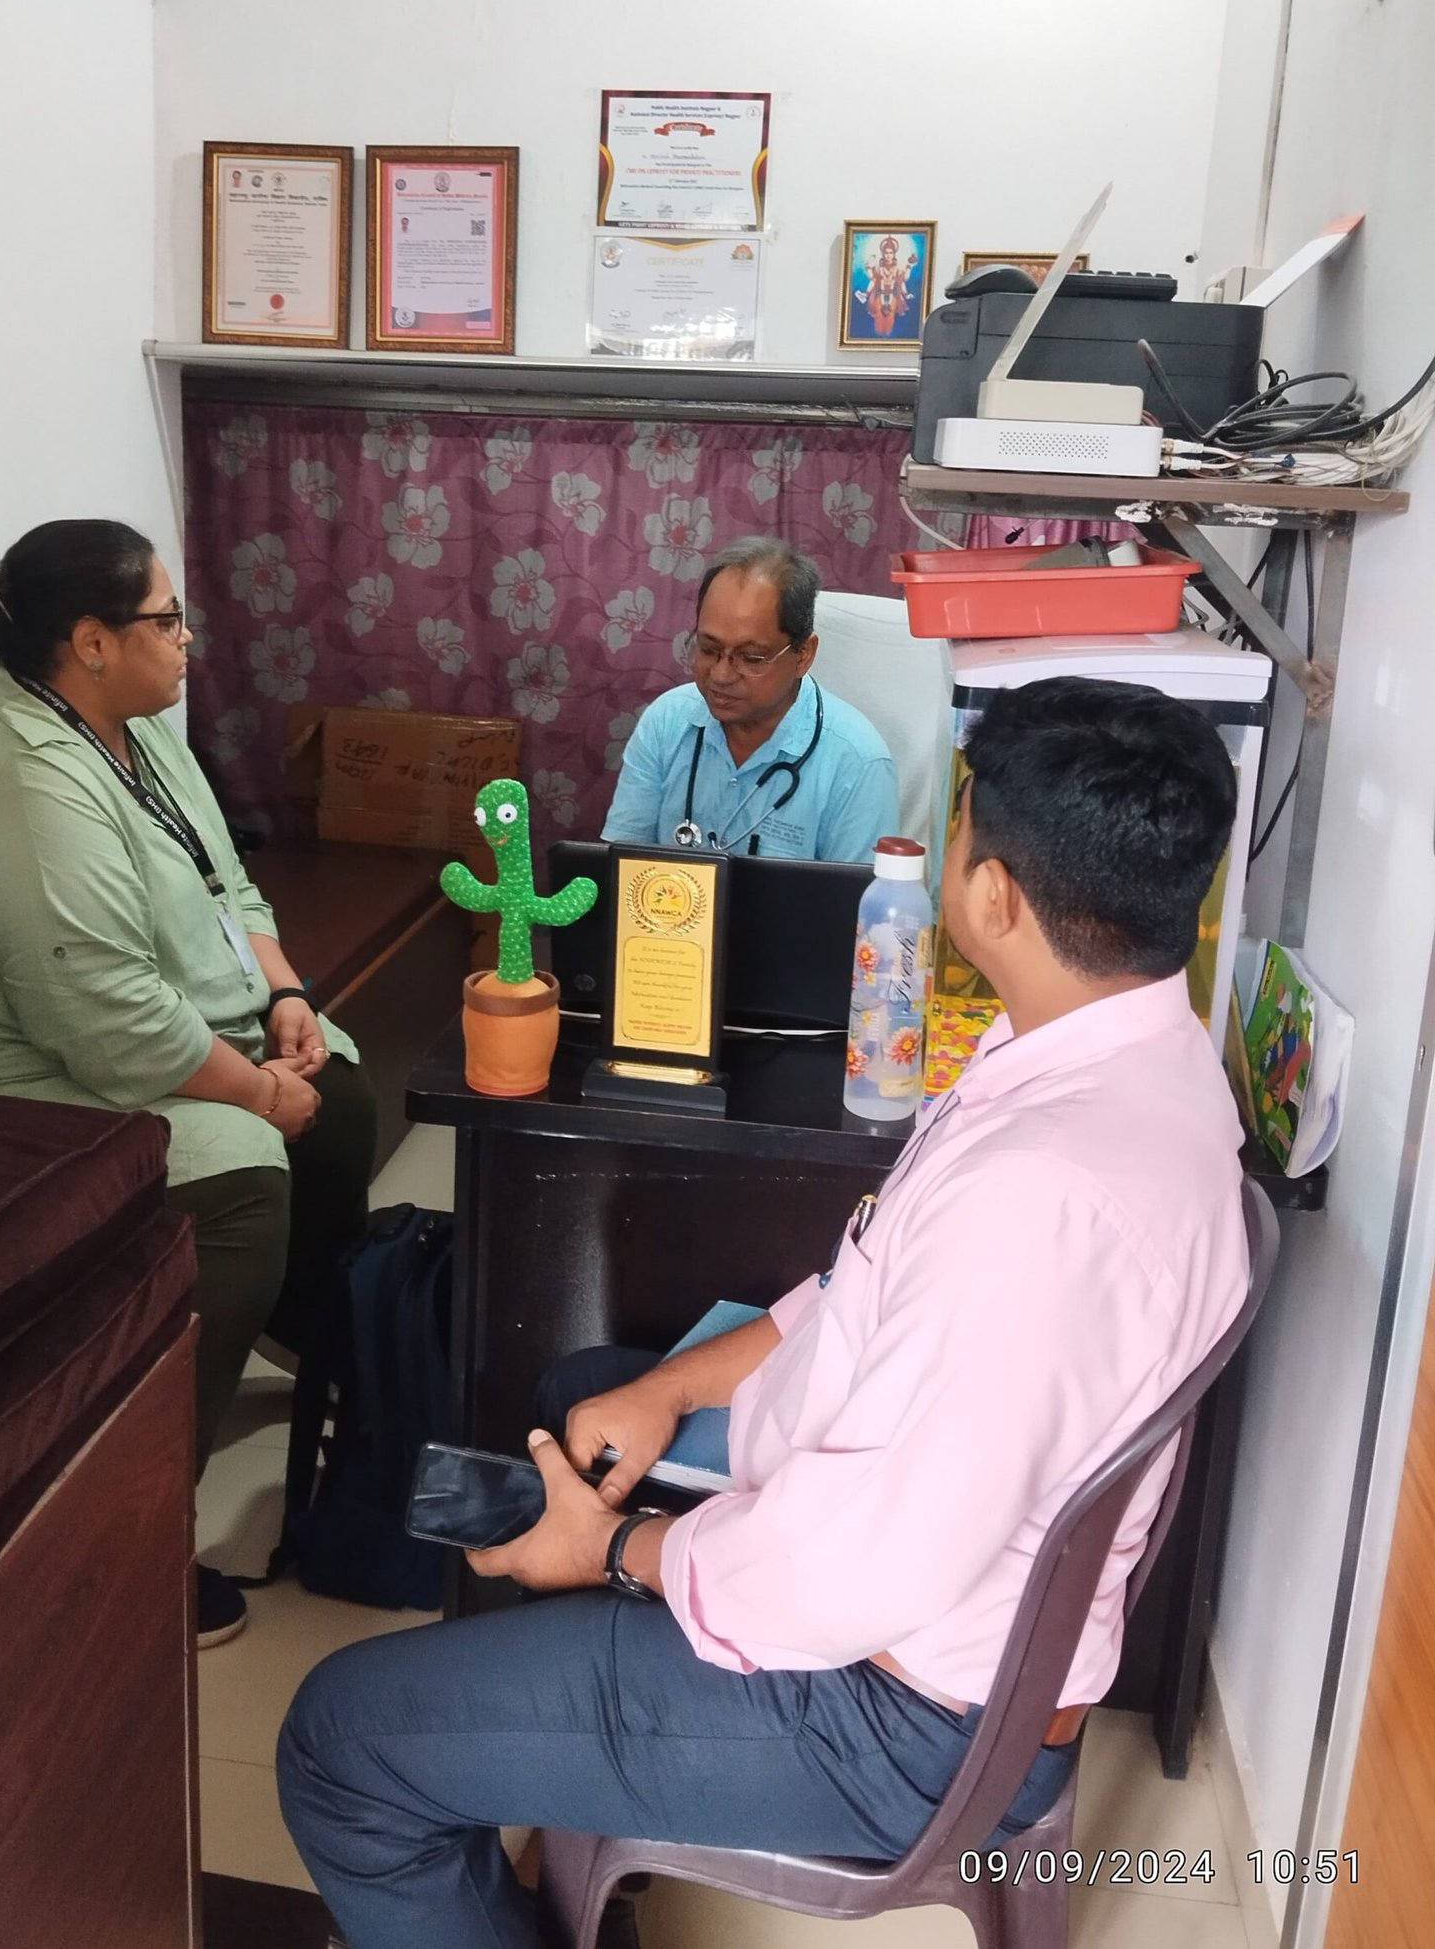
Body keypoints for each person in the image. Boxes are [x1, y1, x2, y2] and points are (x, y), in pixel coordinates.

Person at [276, 676, 1248, 1949]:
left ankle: (520, 1750)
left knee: (340, 1742)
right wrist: (672, 1388)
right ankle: (544, 1774)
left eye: (958, 833)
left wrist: (615, 1555)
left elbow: (855, 1568)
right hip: (905, 1608)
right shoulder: (1133, 1066)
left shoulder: (1040, 1200)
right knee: (587, 1398)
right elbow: (862, 1287)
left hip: (890, 1717)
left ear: (995, 895)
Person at [0, 518, 376, 1648]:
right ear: (91, 641)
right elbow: (104, 1019)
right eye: (167, 619)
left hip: (121, 1030)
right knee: (243, 1168)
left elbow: (230, 886)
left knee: (339, 1082)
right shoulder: (25, 783)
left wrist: (286, 997)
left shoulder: (135, 731)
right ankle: (134, 1528)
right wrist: (255, 1093)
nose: (188, 639)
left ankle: (280, 1316)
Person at [602, 536, 899, 860]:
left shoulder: (857, 764)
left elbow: (858, 894)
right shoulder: (667, 722)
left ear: (803, 655)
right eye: (709, 649)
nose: (721, 675)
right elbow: (620, 865)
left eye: (751, 658)